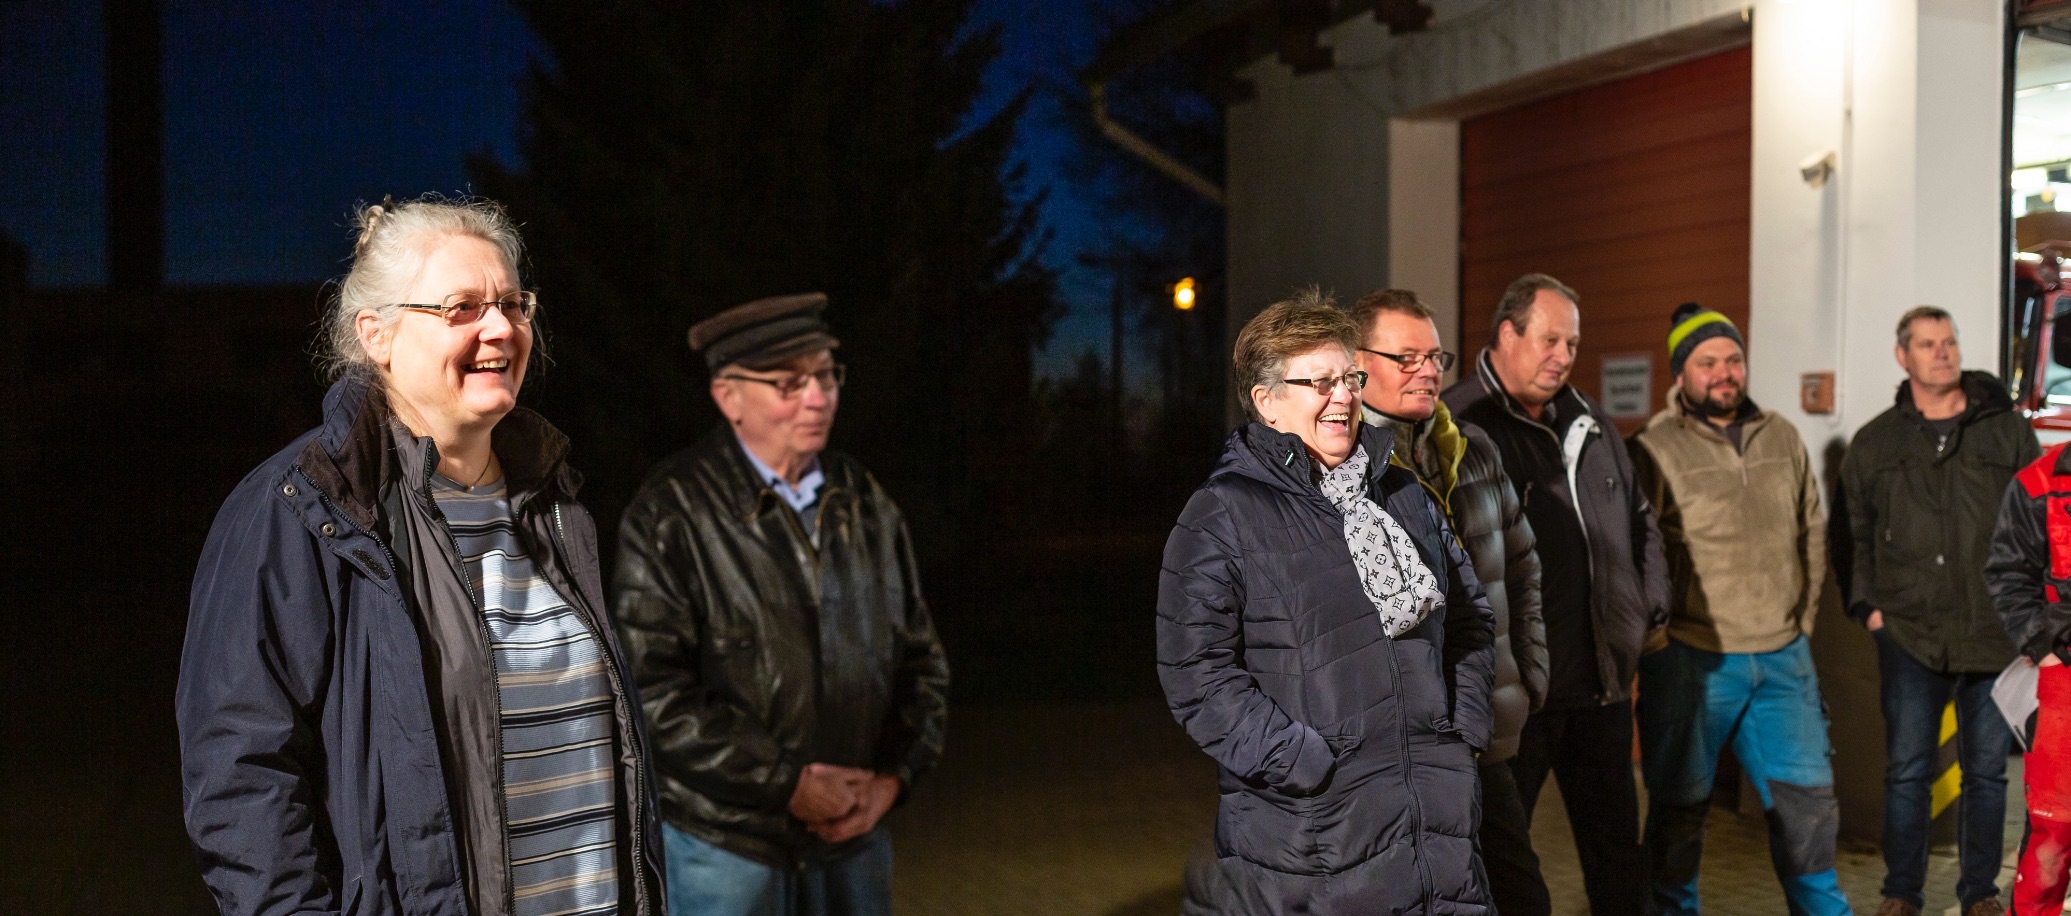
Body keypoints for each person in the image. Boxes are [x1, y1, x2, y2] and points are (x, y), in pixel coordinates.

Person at [178, 194, 665, 916]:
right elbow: (239, 777)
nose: (499, 328)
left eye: (512, 303)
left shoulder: (557, 504)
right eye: (461, 308)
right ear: (376, 335)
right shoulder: (302, 510)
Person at [1158, 288, 1496, 914]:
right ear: (1267, 402)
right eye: (1319, 382)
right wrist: (1303, 762)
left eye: (1349, 378)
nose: (1343, 396)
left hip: (1437, 825)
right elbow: (1196, 673)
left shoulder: (1403, 494)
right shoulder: (1222, 514)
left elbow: (1471, 617)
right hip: (1312, 841)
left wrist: (1462, 731)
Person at [614, 292, 950, 916]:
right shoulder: (671, 513)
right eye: (789, 383)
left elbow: (922, 664)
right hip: (727, 850)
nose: (818, 398)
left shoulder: (867, 504)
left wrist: (893, 781)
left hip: (853, 838)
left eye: (825, 376)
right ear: (728, 397)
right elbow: (651, 693)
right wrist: (786, 784)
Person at [1441, 272, 1668, 915]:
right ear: (1506, 334)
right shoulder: (1457, 426)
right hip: (1516, 699)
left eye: (1571, 344)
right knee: (1497, 864)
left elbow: (1638, 518)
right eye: (1549, 340)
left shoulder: (1589, 419)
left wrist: (1646, 607)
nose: (1563, 357)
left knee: (1619, 861)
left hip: (1597, 686)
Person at [1627, 302, 1851, 915]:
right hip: (1693, 663)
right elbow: (1634, 556)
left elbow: (1811, 528)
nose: (1724, 372)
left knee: (1809, 816)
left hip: (1784, 661)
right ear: (1681, 375)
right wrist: (1657, 641)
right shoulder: (1653, 448)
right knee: (1678, 818)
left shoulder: (1781, 434)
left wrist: (1799, 623)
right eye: (1707, 362)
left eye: (1733, 359)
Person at [1351, 288, 1551, 915]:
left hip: (1484, 728)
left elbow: (1522, 565)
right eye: (1406, 357)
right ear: (1356, 364)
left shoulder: (1471, 450)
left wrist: (1530, 670)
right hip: (1395, 747)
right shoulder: (1337, 468)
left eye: (1435, 357)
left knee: (1520, 893)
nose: (1428, 371)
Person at [1844, 307, 2033, 916]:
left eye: (1948, 342)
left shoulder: (2005, 432)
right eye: (1927, 345)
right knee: (1907, 773)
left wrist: (2032, 611)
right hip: (1909, 632)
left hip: (1992, 630)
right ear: (1904, 356)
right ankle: (1902, 892)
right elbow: (1855, 532)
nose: (1942, 353)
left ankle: (1979, 894)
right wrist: (1869, 608)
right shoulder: (1876, 442)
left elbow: (2037, 521)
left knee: (1985, 775)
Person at [1986, 439, 2071, 914]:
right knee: (2052, 836)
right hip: (2065, 678)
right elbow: (2009, 573)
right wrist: (2044, 652)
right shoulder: (2040, 485)